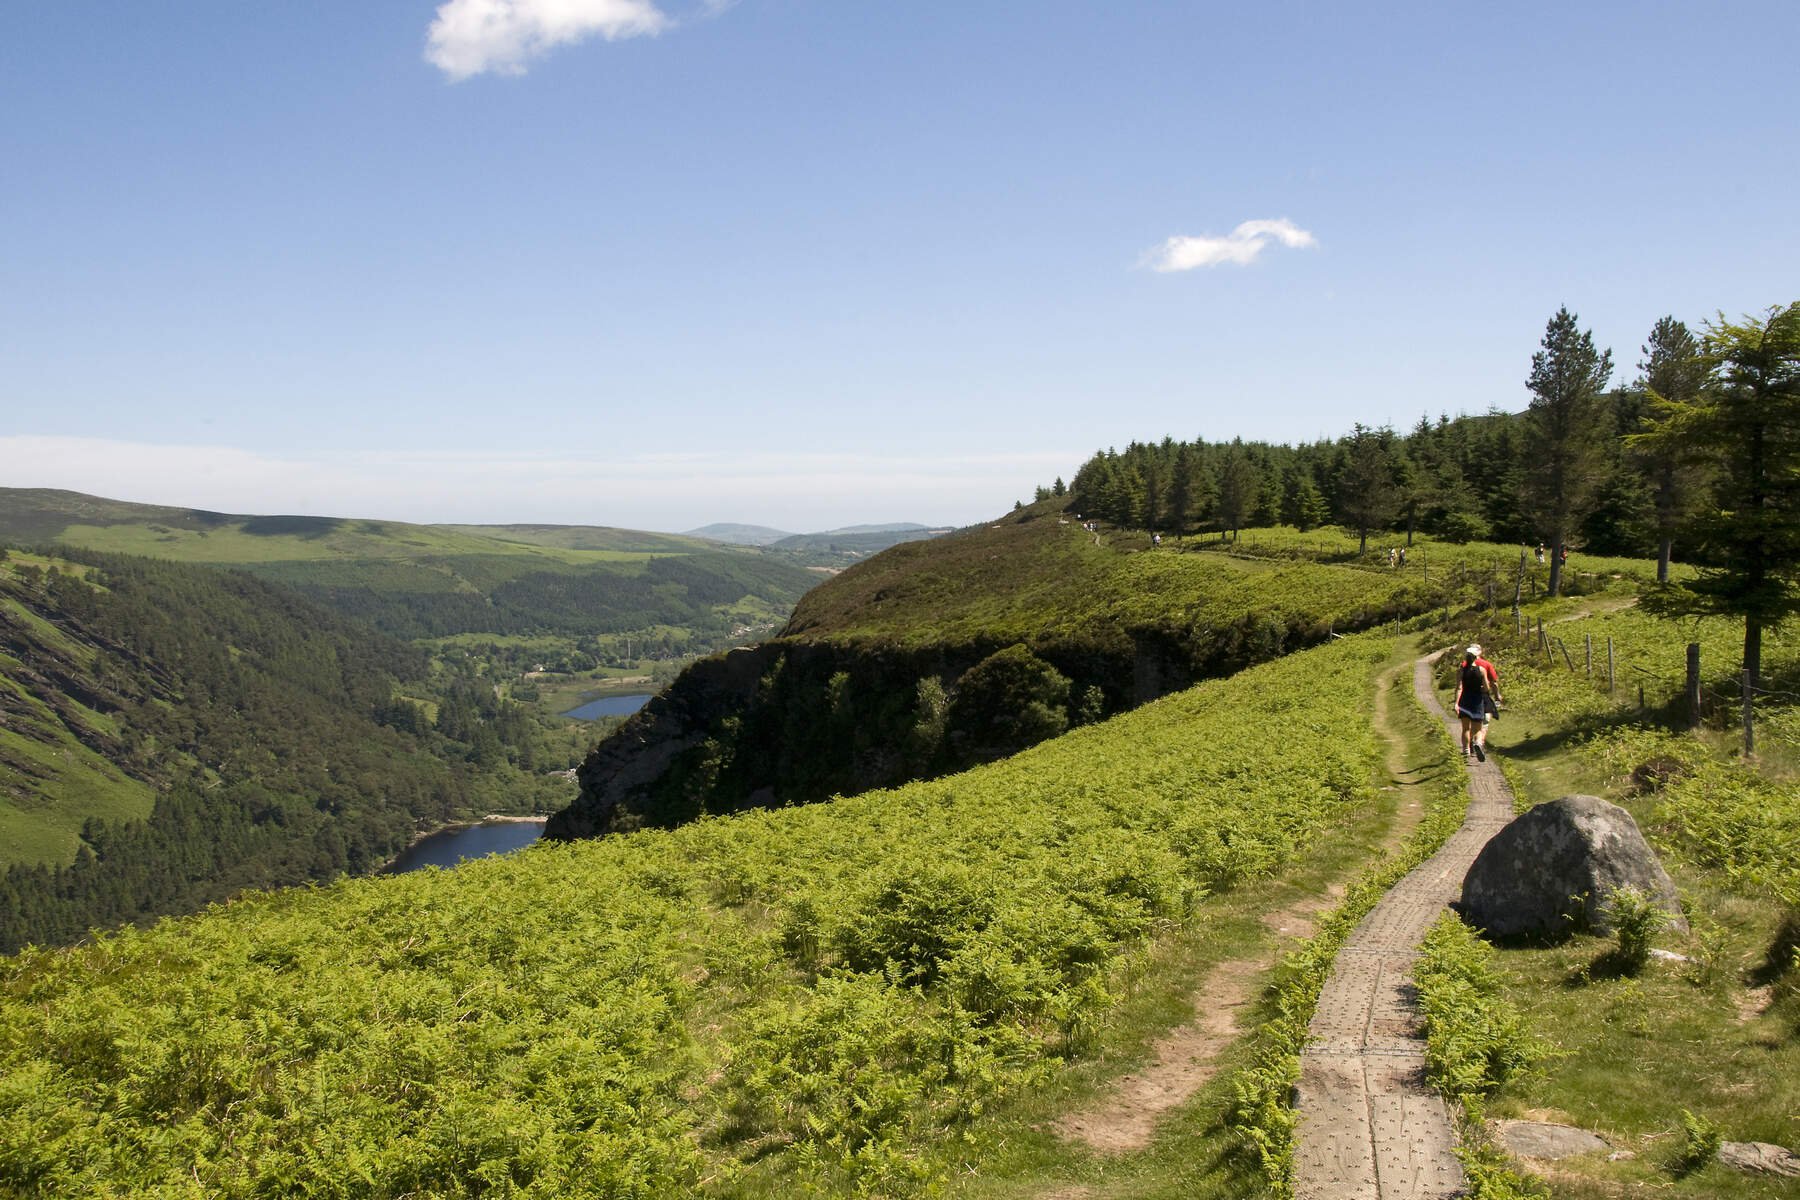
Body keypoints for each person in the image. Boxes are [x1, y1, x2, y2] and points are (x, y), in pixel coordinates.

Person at [1453, 646, 1491, 761]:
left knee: (1465, 728)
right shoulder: (1481, 670)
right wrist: (1481, 688)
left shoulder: (1462, 670)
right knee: (1478, 729)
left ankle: (1466, 750)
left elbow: (1459, 688)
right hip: (1477, 701)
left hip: (1464, 700)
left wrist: (1456, 703)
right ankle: (1478, 743)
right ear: (1476, 657)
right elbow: (1486, 688)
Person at [1468, 642, 1502, 755]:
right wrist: (1497, 695)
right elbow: (1494, 682)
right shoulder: (1486, 664)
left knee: (1473, 721)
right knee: (1485, 719)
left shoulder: (1463, 665)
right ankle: (1479, 742)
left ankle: (1471, 744)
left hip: (1468, 696)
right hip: (1483, 695)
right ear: (1480, 652)